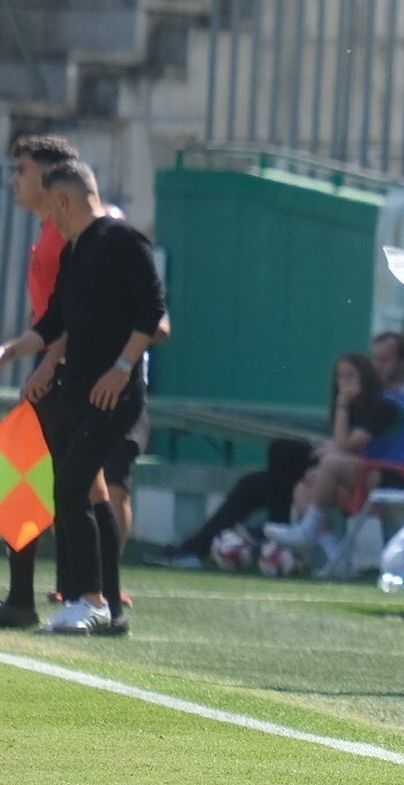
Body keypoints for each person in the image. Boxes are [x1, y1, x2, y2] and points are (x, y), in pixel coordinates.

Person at [0, 160, 167, 636]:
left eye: (53, 209)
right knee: (78, 489)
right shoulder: (76, 252)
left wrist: (121, 368)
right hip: (76, 391)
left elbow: (153, 311)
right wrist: (13, 350)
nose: (50, 219)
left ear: (65, 202)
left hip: (114, 395)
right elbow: (54, 321)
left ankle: (88, 600)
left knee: (71, 486)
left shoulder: (123, 241)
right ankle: (107, 609)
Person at [0, 135, 75, 630]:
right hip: (51, 370)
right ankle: (35, 597)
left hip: (67, 375)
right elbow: (49, 315)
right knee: (33, 479)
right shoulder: (48, 234)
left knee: (26, 477)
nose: (13, 180)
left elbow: (79, 312)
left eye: (21, 170)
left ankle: (56, 597)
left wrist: (50, 364)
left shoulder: (71, 236)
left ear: (49, 176)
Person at [263, 353, 404, 561]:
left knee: (331, 463)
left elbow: (345, 446)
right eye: (340, 377)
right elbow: (345, 446)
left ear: (365, 377)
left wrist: (341, 403)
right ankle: (337, 558)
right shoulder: (358, 409)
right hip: (377, 473)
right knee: (304, 489)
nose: (344, 382)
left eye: (351, 376)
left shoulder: (384, 405)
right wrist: (334, 448)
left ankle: (308, 530)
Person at [146, 438, 317, 568]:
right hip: (327, 453)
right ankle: (193, 549)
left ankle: (275, 536)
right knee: (253, 483)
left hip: (334, 462)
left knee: (283, 457)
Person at [371, 330, 404, 411]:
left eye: (384, 359)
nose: (376, 365)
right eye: (375, 358)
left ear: (402, 363)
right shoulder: (371, 392)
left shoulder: (399, 403)